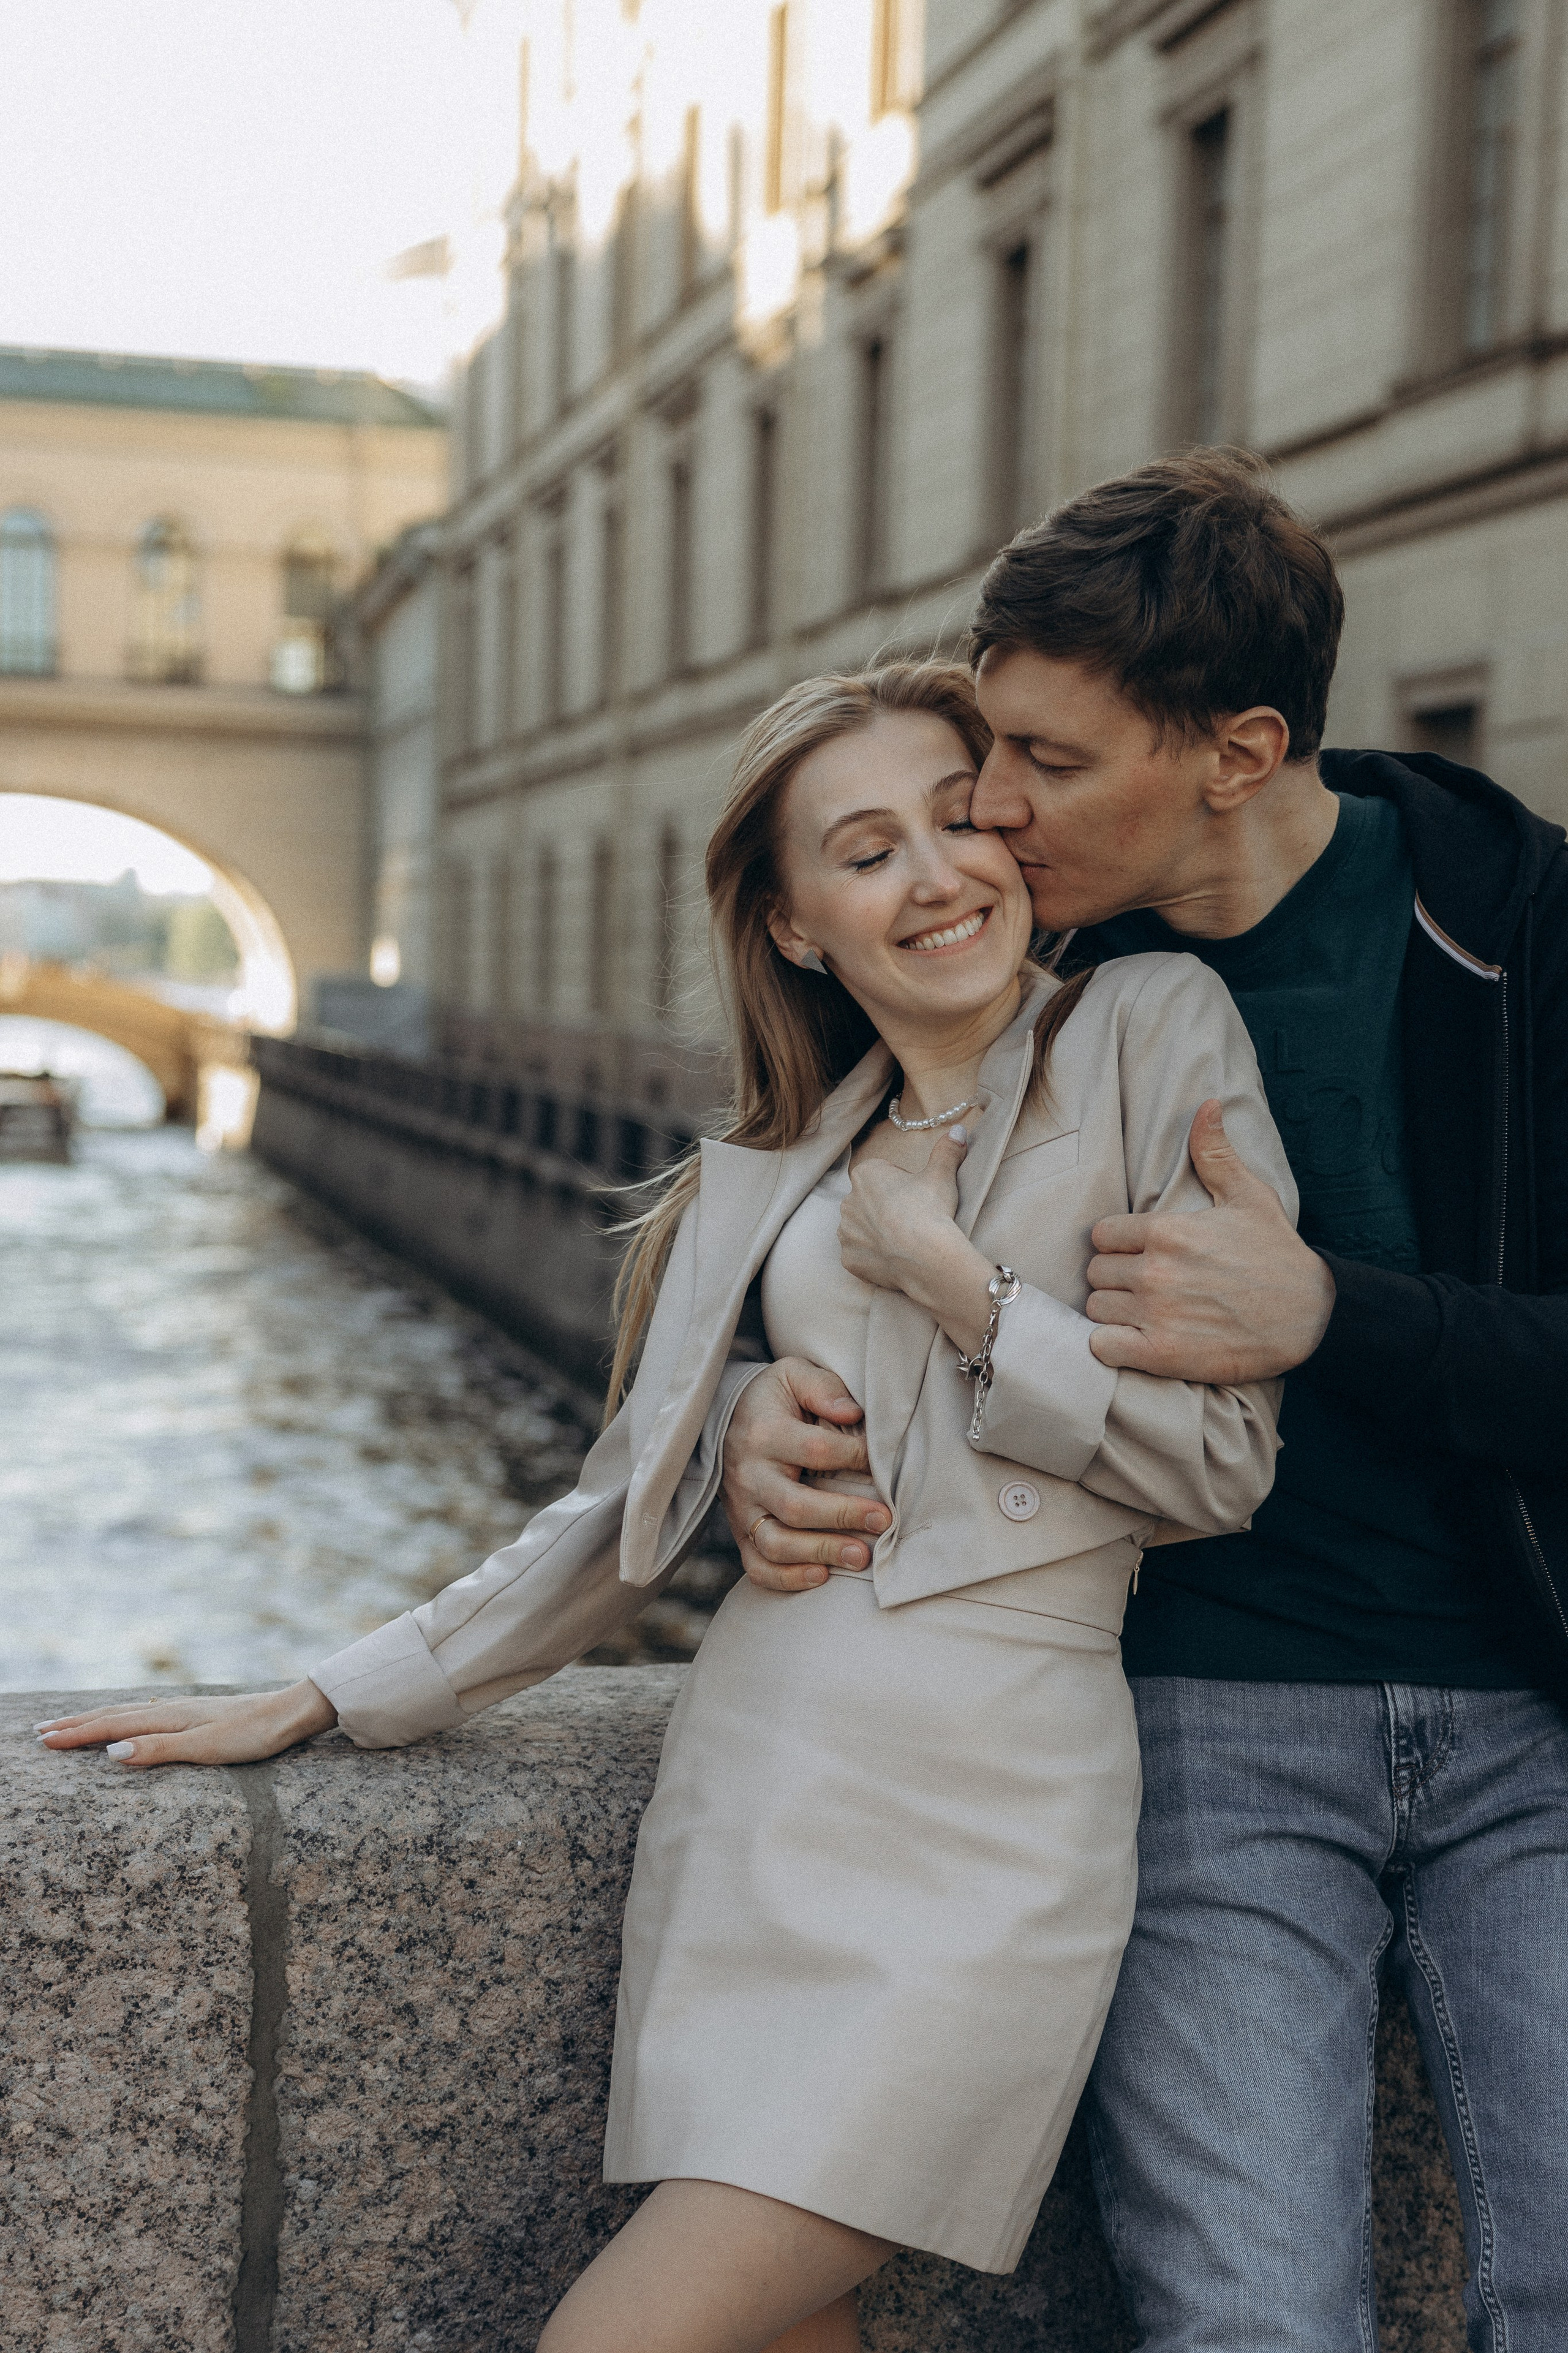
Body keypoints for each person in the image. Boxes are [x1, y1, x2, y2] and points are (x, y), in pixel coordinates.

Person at [37, 662, 1290, 2353]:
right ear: (792, 924)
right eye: (866, 851)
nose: (937, 874)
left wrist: (964, 1284)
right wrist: (328, 1689)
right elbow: (607, 1517)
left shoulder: (1155, 1028)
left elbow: (1221, 1463)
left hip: (998, 1824)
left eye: (957, 816)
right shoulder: (763, 1171)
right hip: (761, 1805)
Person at [721, 453, 1568, 2352]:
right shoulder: (1018, 957)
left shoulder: (1521, 929)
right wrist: (743, 1426)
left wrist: (1333, 1309)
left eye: (1043, 763)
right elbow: (799, 1198)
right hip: (1197, 1721)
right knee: (1252, 2321)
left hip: (1539, 1713)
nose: (990, 813)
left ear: (1240, 750)